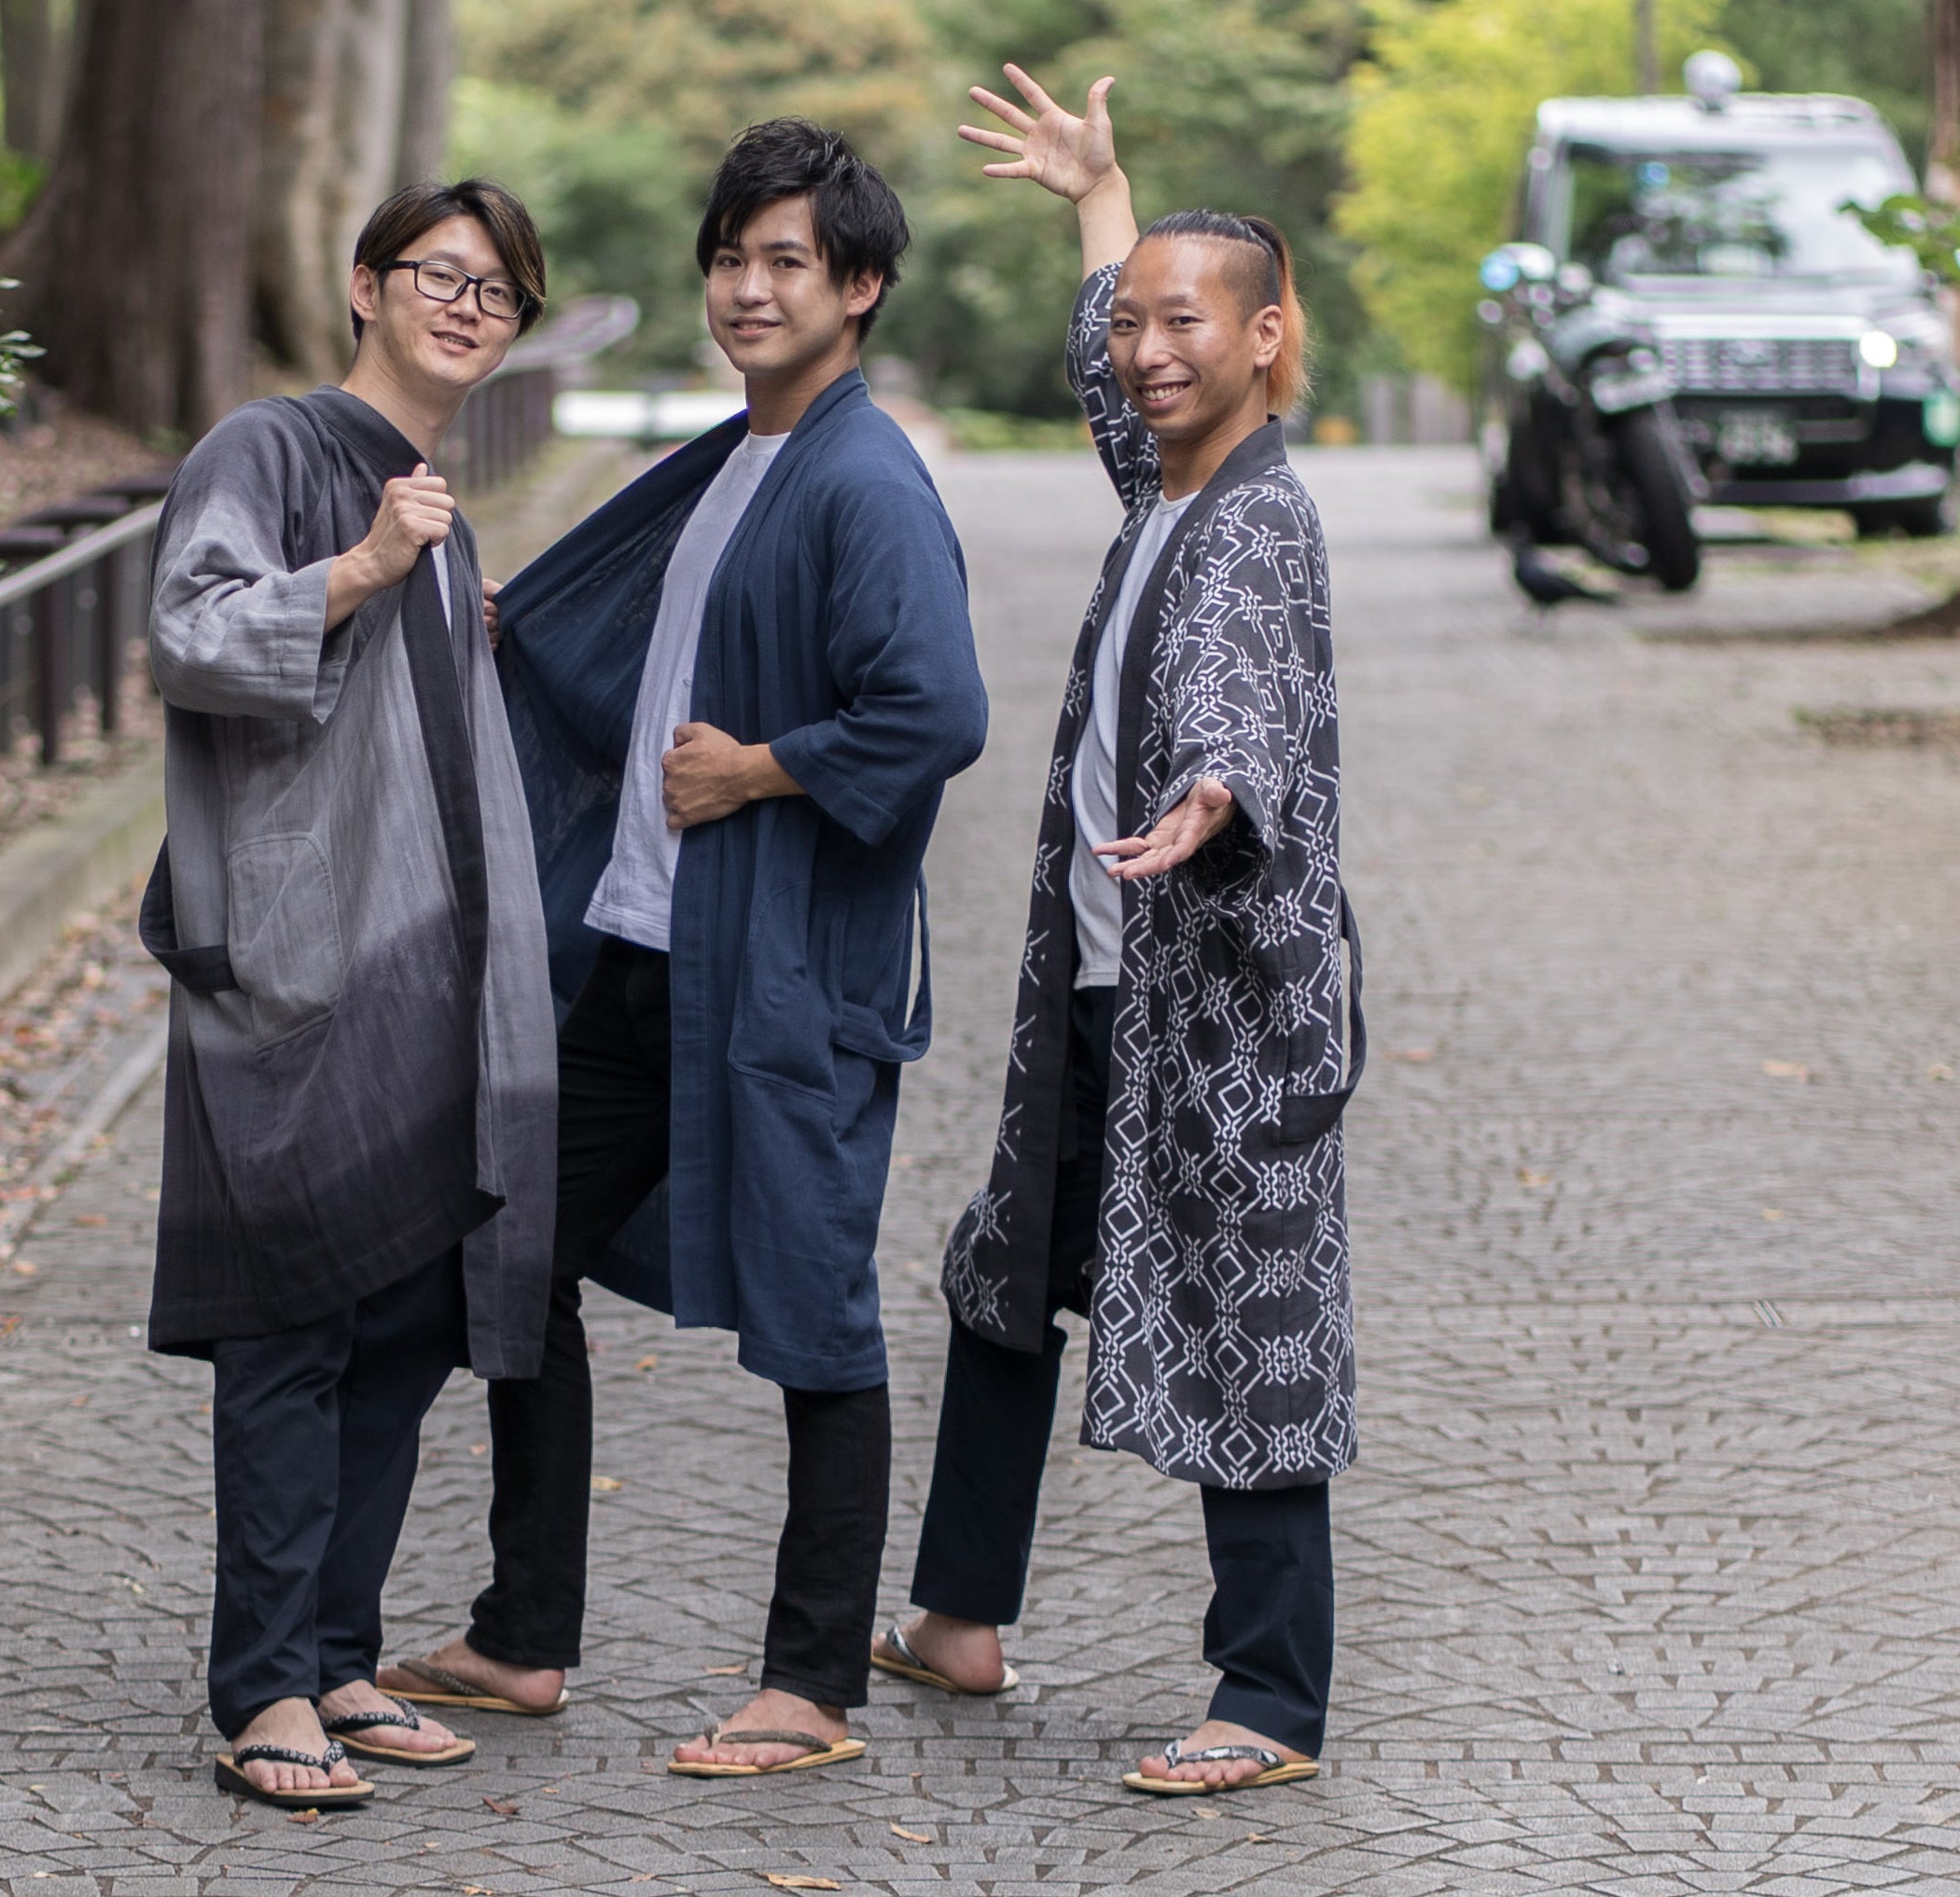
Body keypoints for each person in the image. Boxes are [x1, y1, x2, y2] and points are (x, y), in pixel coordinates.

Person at [376, 118, 988, 1778]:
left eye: (787, 260)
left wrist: (763, 769)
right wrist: (513, 633)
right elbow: (639, 670)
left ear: (859, 288)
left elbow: (936, 710)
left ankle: (810, 1686)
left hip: (777, 974)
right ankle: (524, 1632)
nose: (747, 287)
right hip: (643, 958)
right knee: (509, 1253)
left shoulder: (862, 480)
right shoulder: (738, 458)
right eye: (730, 256)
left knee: (815, 1307)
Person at [878, 68, 1364, 1798]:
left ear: (1265, 337)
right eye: (1134, 321)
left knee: (1254, 1312)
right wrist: (1101, 194)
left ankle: (1270, 1698)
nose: (1146, 350)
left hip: (1225, 1016)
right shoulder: (1165, 484)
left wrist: (1219, 787)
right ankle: (957, 1612)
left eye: (1185, 322)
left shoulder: (1257, 523)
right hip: (1103, 984)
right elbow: (1108, 376)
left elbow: (1240, 685)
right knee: (1005, 1273)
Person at [140, 179, 560, 1810]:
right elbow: (191, 634)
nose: (467, 306)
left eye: (498, 292)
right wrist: (366, 566)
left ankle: (332, 1652)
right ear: (366, 284)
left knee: (403, 1314)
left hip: (427, 966)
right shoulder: (270, 448)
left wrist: (429, 585)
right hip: (293, 966)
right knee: (292, 1314)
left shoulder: (437, 503)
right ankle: (262, 1687)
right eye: (439, 274)